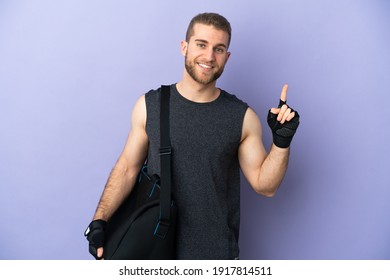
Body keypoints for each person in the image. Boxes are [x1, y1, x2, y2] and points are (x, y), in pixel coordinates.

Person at [84, 12, 300, 260]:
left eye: (219, 49)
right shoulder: (150, 105)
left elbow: (266, 186)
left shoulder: (242, 117)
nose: (209, 56)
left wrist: (281, 142)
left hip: (216, 257)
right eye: (201, 45)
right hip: (154, 253)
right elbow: (126, 169)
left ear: (227, 57)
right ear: (184, 47)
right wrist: (99, 220)